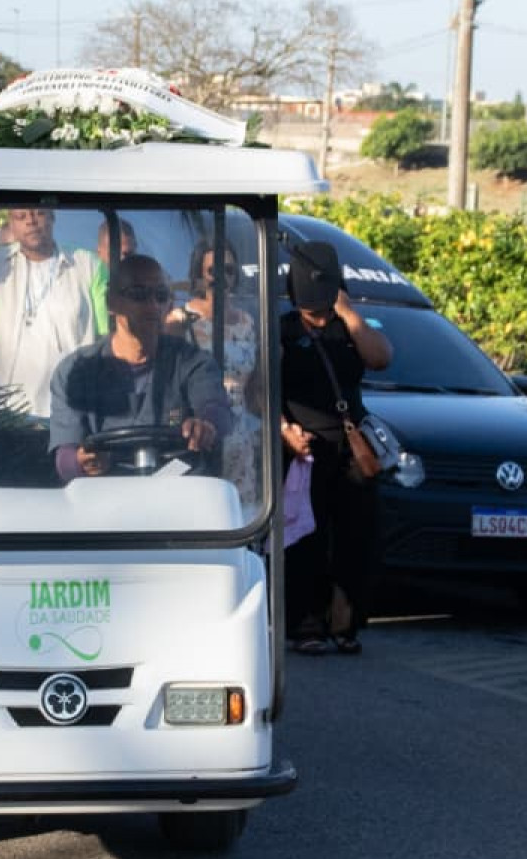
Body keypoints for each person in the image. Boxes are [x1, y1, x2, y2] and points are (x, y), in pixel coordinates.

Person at [278, 241, 393, 655]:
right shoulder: (285, 331)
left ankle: (346, 625)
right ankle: (305, 624)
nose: (319, 313)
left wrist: (346, 312)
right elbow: (264, 389)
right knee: (306, 538)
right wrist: (284, 429)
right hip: (303, 448)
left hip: (351, 447)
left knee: (357, 537)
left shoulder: (347, 326)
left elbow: (381, 358)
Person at [48, 254, 229, 482]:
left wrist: (205, 426)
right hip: (105, 502)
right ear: (111, 303)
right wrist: (81, 462)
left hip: (179, 499)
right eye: (138, 295)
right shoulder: (74, 371)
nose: (152, 305)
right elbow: (65, 458)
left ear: (170, 304)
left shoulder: (191, 361)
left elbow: (215, 408)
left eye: (161, 296)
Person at [0, 207, 102, 418]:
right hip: (7, 412)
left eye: (39, 213)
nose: (30, 221)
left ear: (52, 216)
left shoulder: (87, 265)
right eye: (20, 216)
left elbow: (106, 335)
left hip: (74, 410)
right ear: (11, 223)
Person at [168, 239, 262, 502]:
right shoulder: (179, 320)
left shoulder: (247, 322)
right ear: (199, 273)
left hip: (240, 437)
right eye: (213, 271)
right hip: (198, 434)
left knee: (239, 515)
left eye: (229, 271)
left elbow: (255, 388)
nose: (222, 278)